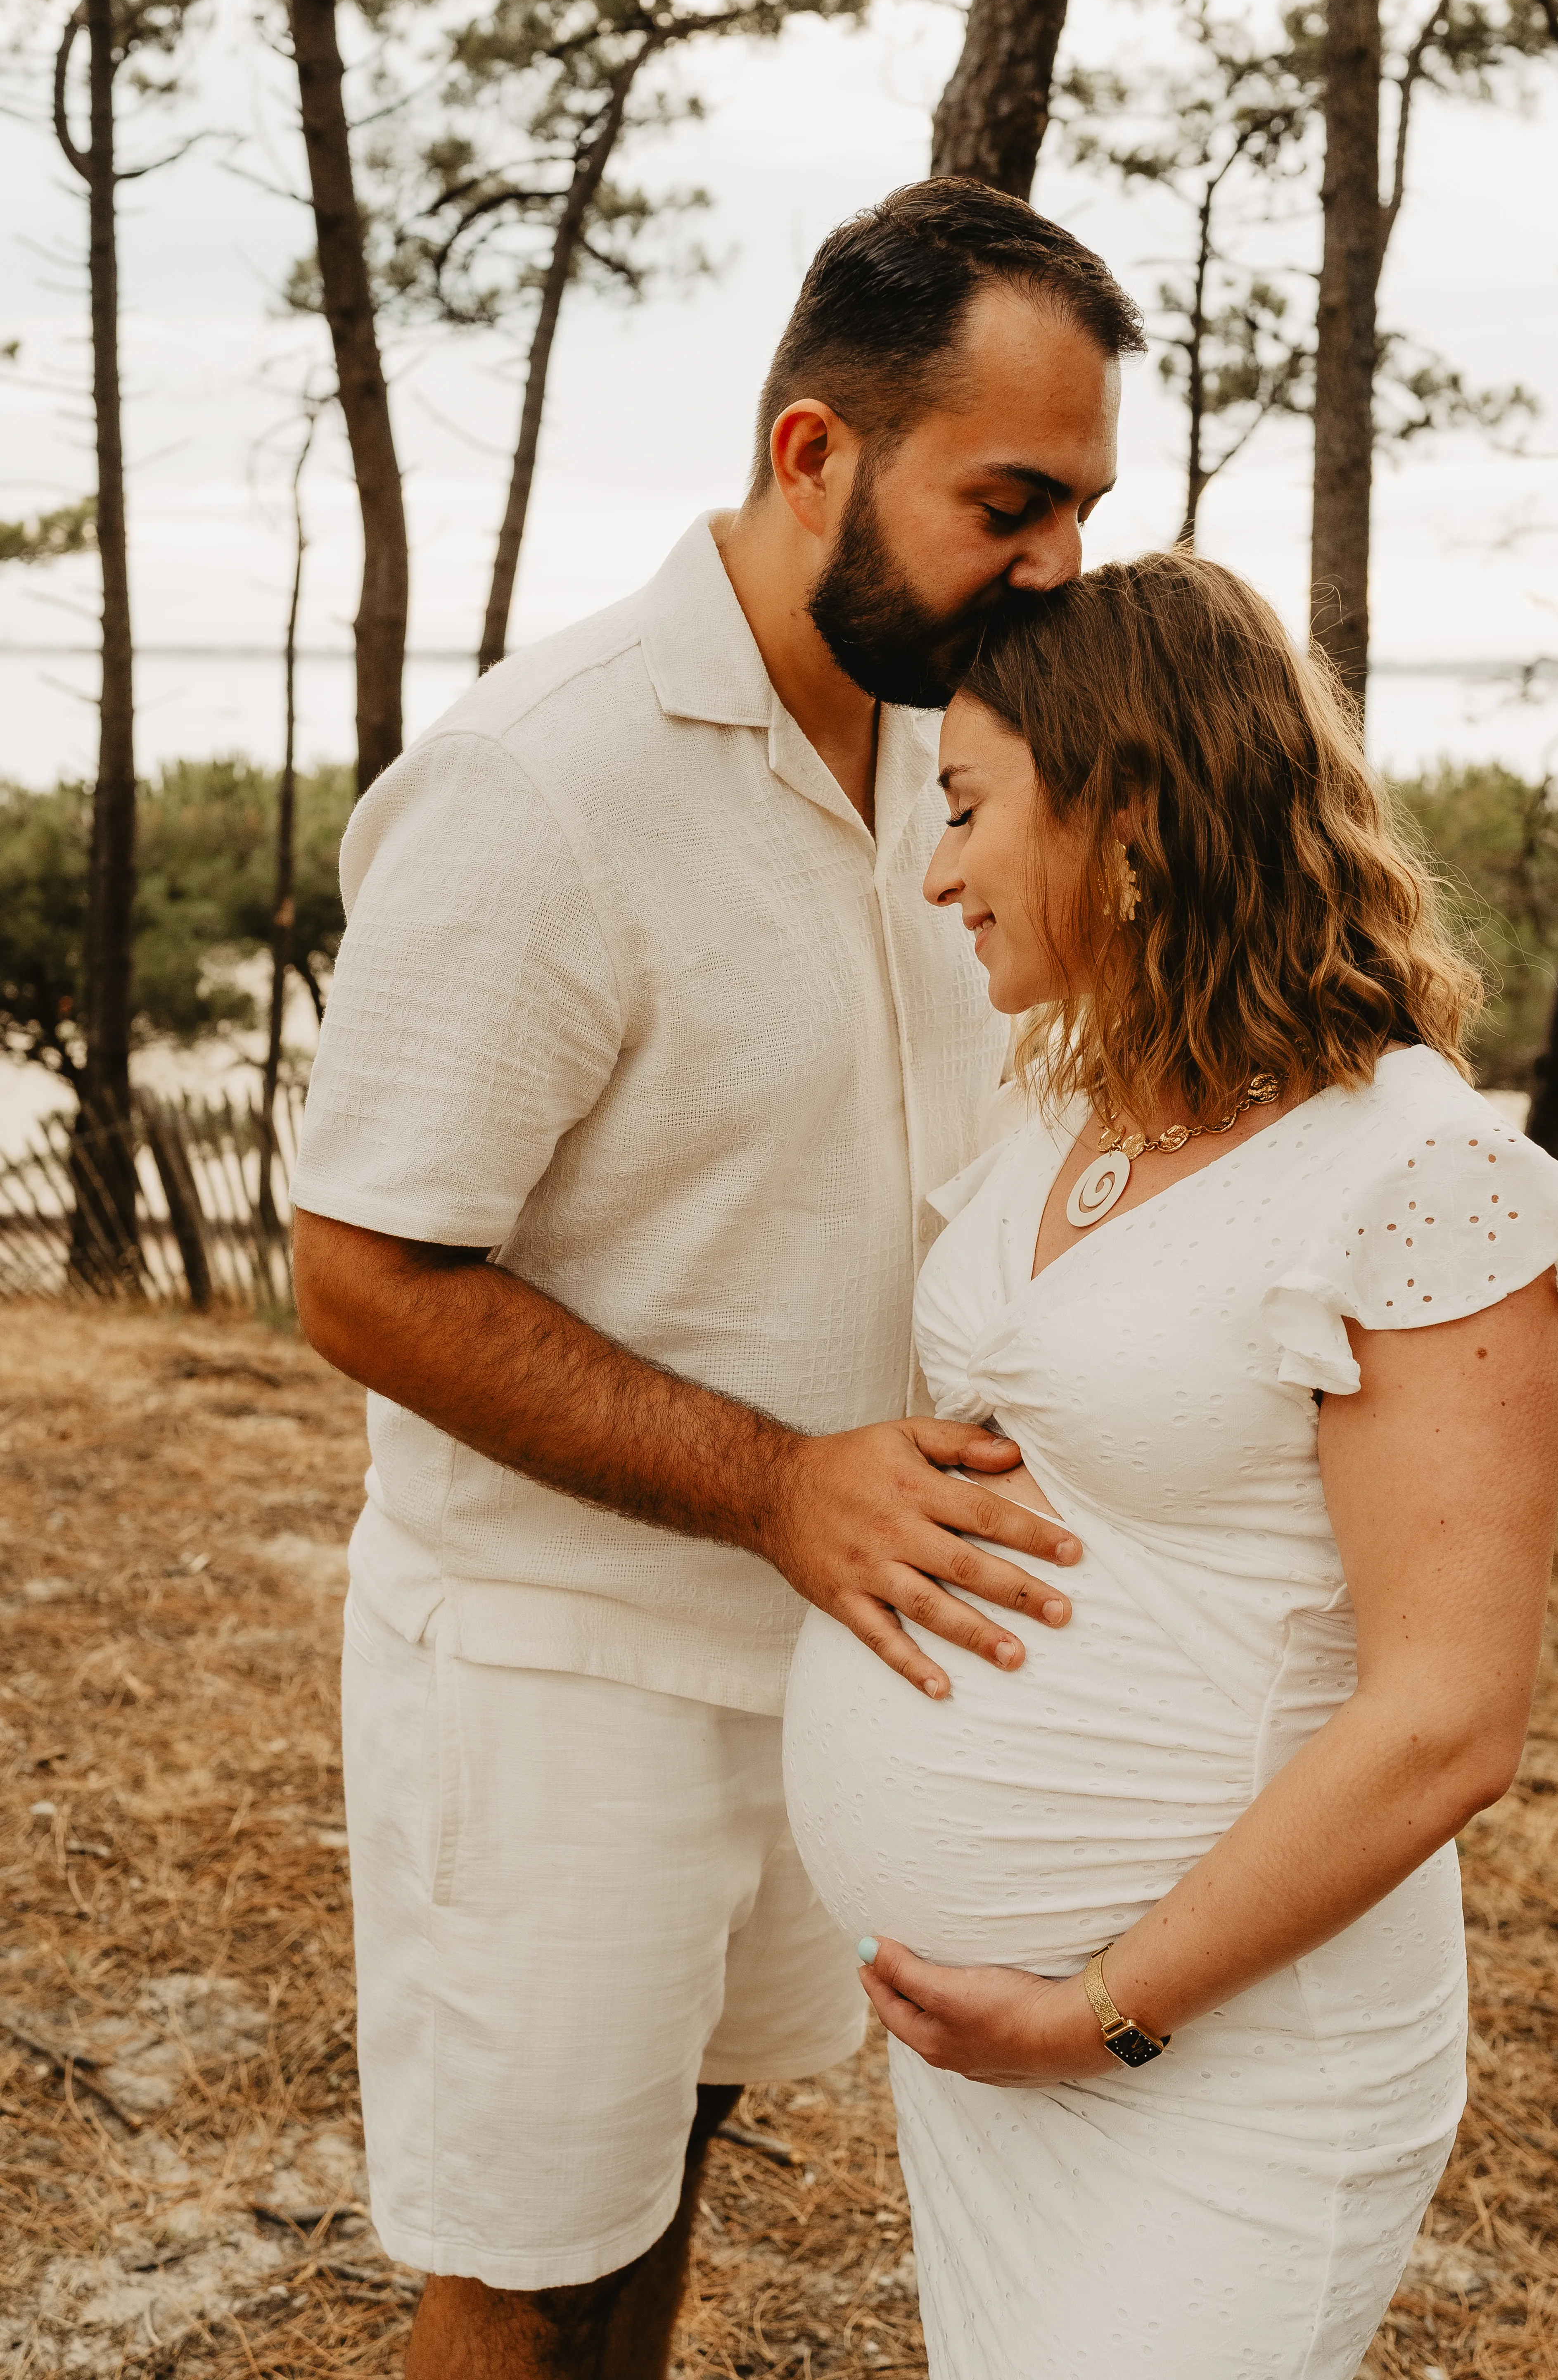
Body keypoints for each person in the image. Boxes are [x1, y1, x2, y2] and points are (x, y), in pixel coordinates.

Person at [286, 176, 1144, 2379]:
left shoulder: (937, 751)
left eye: (1084, 509)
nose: (1056, 568)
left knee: (665, 2179)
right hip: (563, 1676)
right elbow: (367, 1273)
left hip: (829, 1655)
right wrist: (779, 1481)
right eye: (1013, 502)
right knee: (530, 2259)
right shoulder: (534, 789)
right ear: (814, 455)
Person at [782, 550, 1558, 2380]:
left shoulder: (1418, 1177)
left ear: (1124, 803)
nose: (936, 868)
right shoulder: (1073, 1096)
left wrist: (1099, 2012)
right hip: (996, 2060)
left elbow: (1450, 1721)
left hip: (1229, 2066)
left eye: (967, 810)